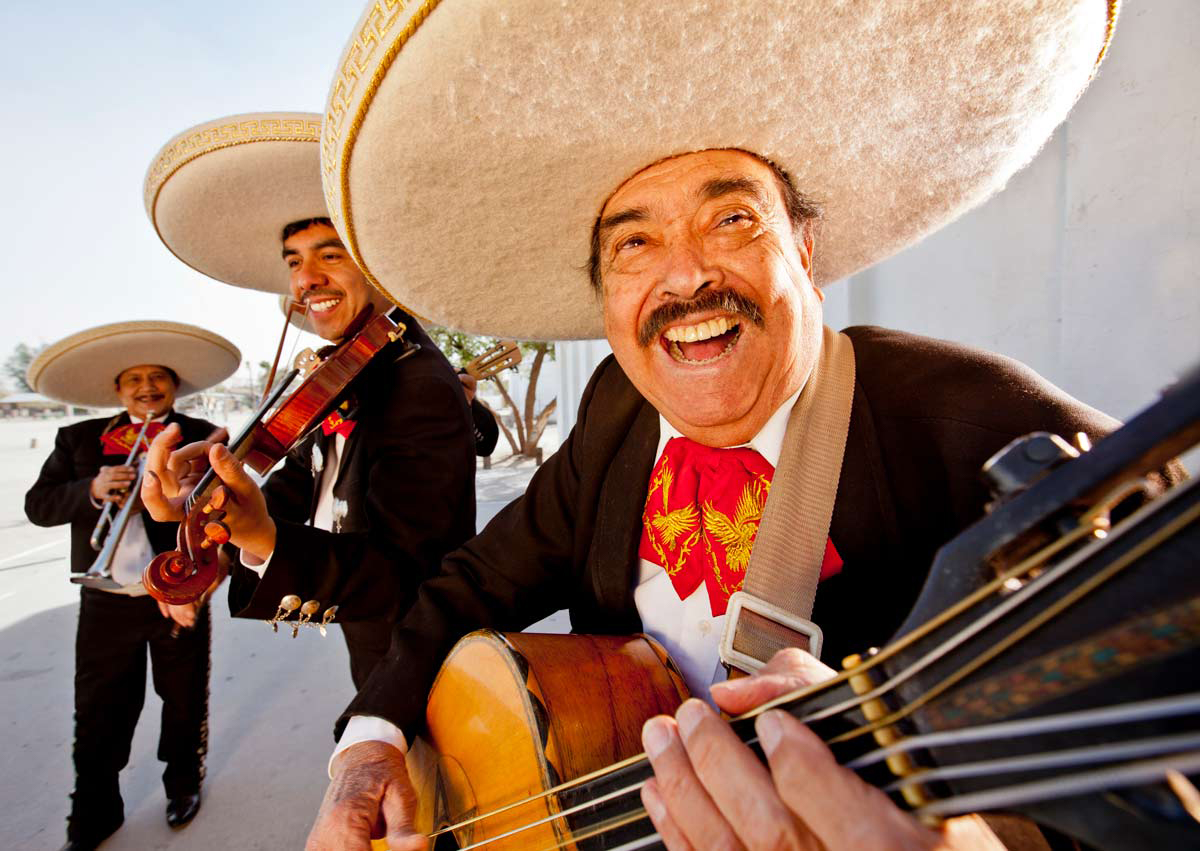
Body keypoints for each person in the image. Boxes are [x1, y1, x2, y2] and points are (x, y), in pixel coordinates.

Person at [163, 6, 1144, 849]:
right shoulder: (619, 408)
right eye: (635, 242)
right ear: (606, 296)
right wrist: (370, 738)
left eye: (732, 220)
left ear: (804, 249)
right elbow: (471, 582)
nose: (685, 277)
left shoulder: (967, 416)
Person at [141, 113, 478, 688]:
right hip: (370, 636)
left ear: (380, 267)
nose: (306, 279)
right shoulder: (344, 371)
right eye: (294, 261)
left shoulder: (417, 381)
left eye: (331, 255)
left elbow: (410, 570)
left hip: (420, 653)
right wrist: (213, 509)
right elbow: (295, 487)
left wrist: (264, 539)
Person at [24, 321, 239, 851]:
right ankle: (94, 809)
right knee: (99, 708)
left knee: (184, 697)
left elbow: (226, 516)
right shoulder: (77, 439)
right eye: (135, 379)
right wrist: (91, 489)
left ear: (174, 385)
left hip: (177, 594)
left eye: (157, 377)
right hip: (106, 599)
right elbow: (38, 505)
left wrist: (202, 585)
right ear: (117, 389)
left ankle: (183, 783)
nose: (147, 387)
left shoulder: (201, 434)